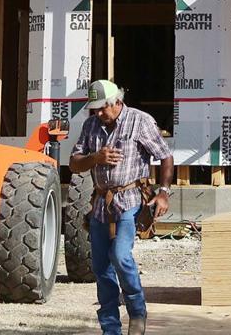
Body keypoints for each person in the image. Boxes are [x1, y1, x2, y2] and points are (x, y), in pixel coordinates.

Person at [70, 80, 174, 335]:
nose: (98, 113)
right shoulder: (90, 125)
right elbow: (74, 163)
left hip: (130, 201)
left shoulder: (140, 121)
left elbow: (165, 156)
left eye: (102, 108)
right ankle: (110, 328)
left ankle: (137, 311)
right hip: (100, 205)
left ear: (117, 101)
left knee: (120, 255)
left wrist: (163, 193)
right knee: (101, 268)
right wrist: (95, 158)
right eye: (94, 109)